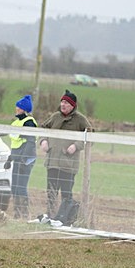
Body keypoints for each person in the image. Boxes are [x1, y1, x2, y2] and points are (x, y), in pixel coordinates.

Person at [39, 89, 92, 221]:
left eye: (66, 103)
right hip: (52, 163)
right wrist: (43, 140)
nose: (63, 105)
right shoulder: (55, 116)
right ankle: (50, 217)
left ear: (73, 105)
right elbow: (43, 128)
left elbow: (91, 136)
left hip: (68, 165)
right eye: (62, 102)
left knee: (66, 194)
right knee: (51, 193)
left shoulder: (80, 120)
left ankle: (66, 219)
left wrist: (76, 146)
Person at [4, 94, 37, 219]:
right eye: (17, 106)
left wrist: (24, 160)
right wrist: (10, 158)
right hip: (17, 158)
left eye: (19, 107)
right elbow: (15, 144)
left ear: (25, 109)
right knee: (15, 187)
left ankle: (24, 214)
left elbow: (30, 142)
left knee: (21, 187)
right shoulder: (16, 122)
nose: (16, 109)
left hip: (26, 159)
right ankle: (17, 214)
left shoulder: (29, 123)